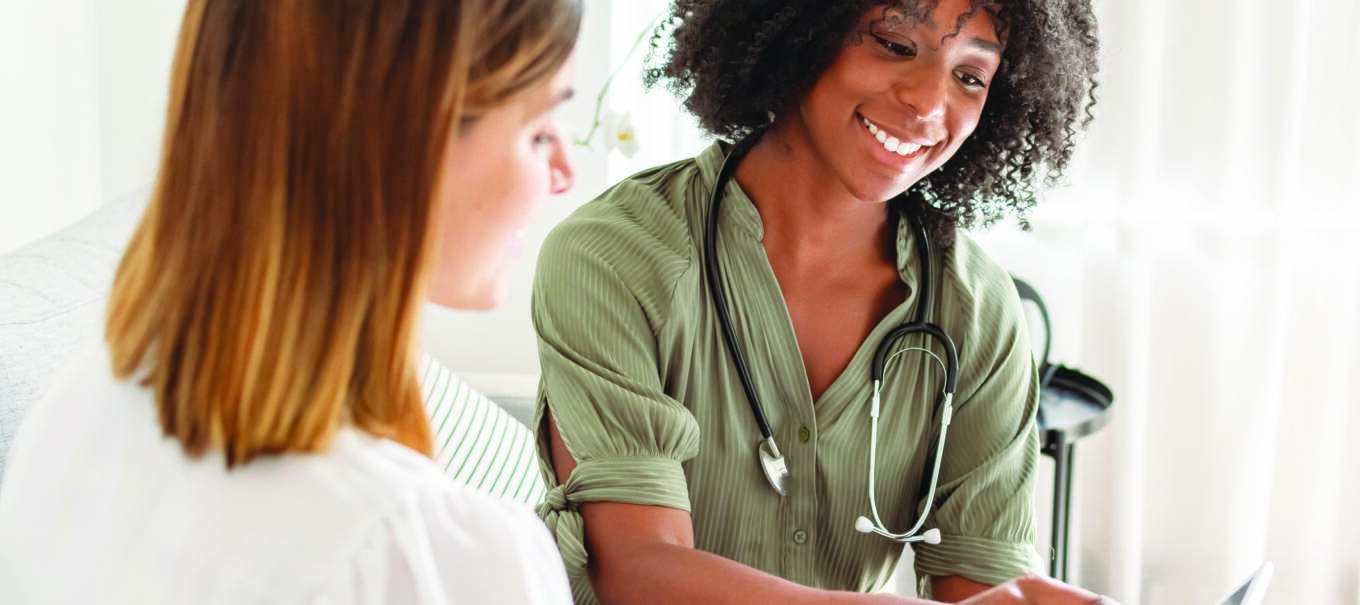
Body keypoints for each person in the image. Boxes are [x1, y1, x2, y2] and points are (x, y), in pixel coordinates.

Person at [0, 0, 579, 603]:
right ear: (395, 150)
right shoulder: (432, 554)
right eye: (538, 132)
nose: (564, 171)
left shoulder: (71, 412)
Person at [531, 0, 1109, 603]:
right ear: (801, 31)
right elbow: (638, 569)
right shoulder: (613, 257)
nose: (930, 103)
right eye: (894, 44)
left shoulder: (978, 310)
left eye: (970, 77)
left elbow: (982, 586)